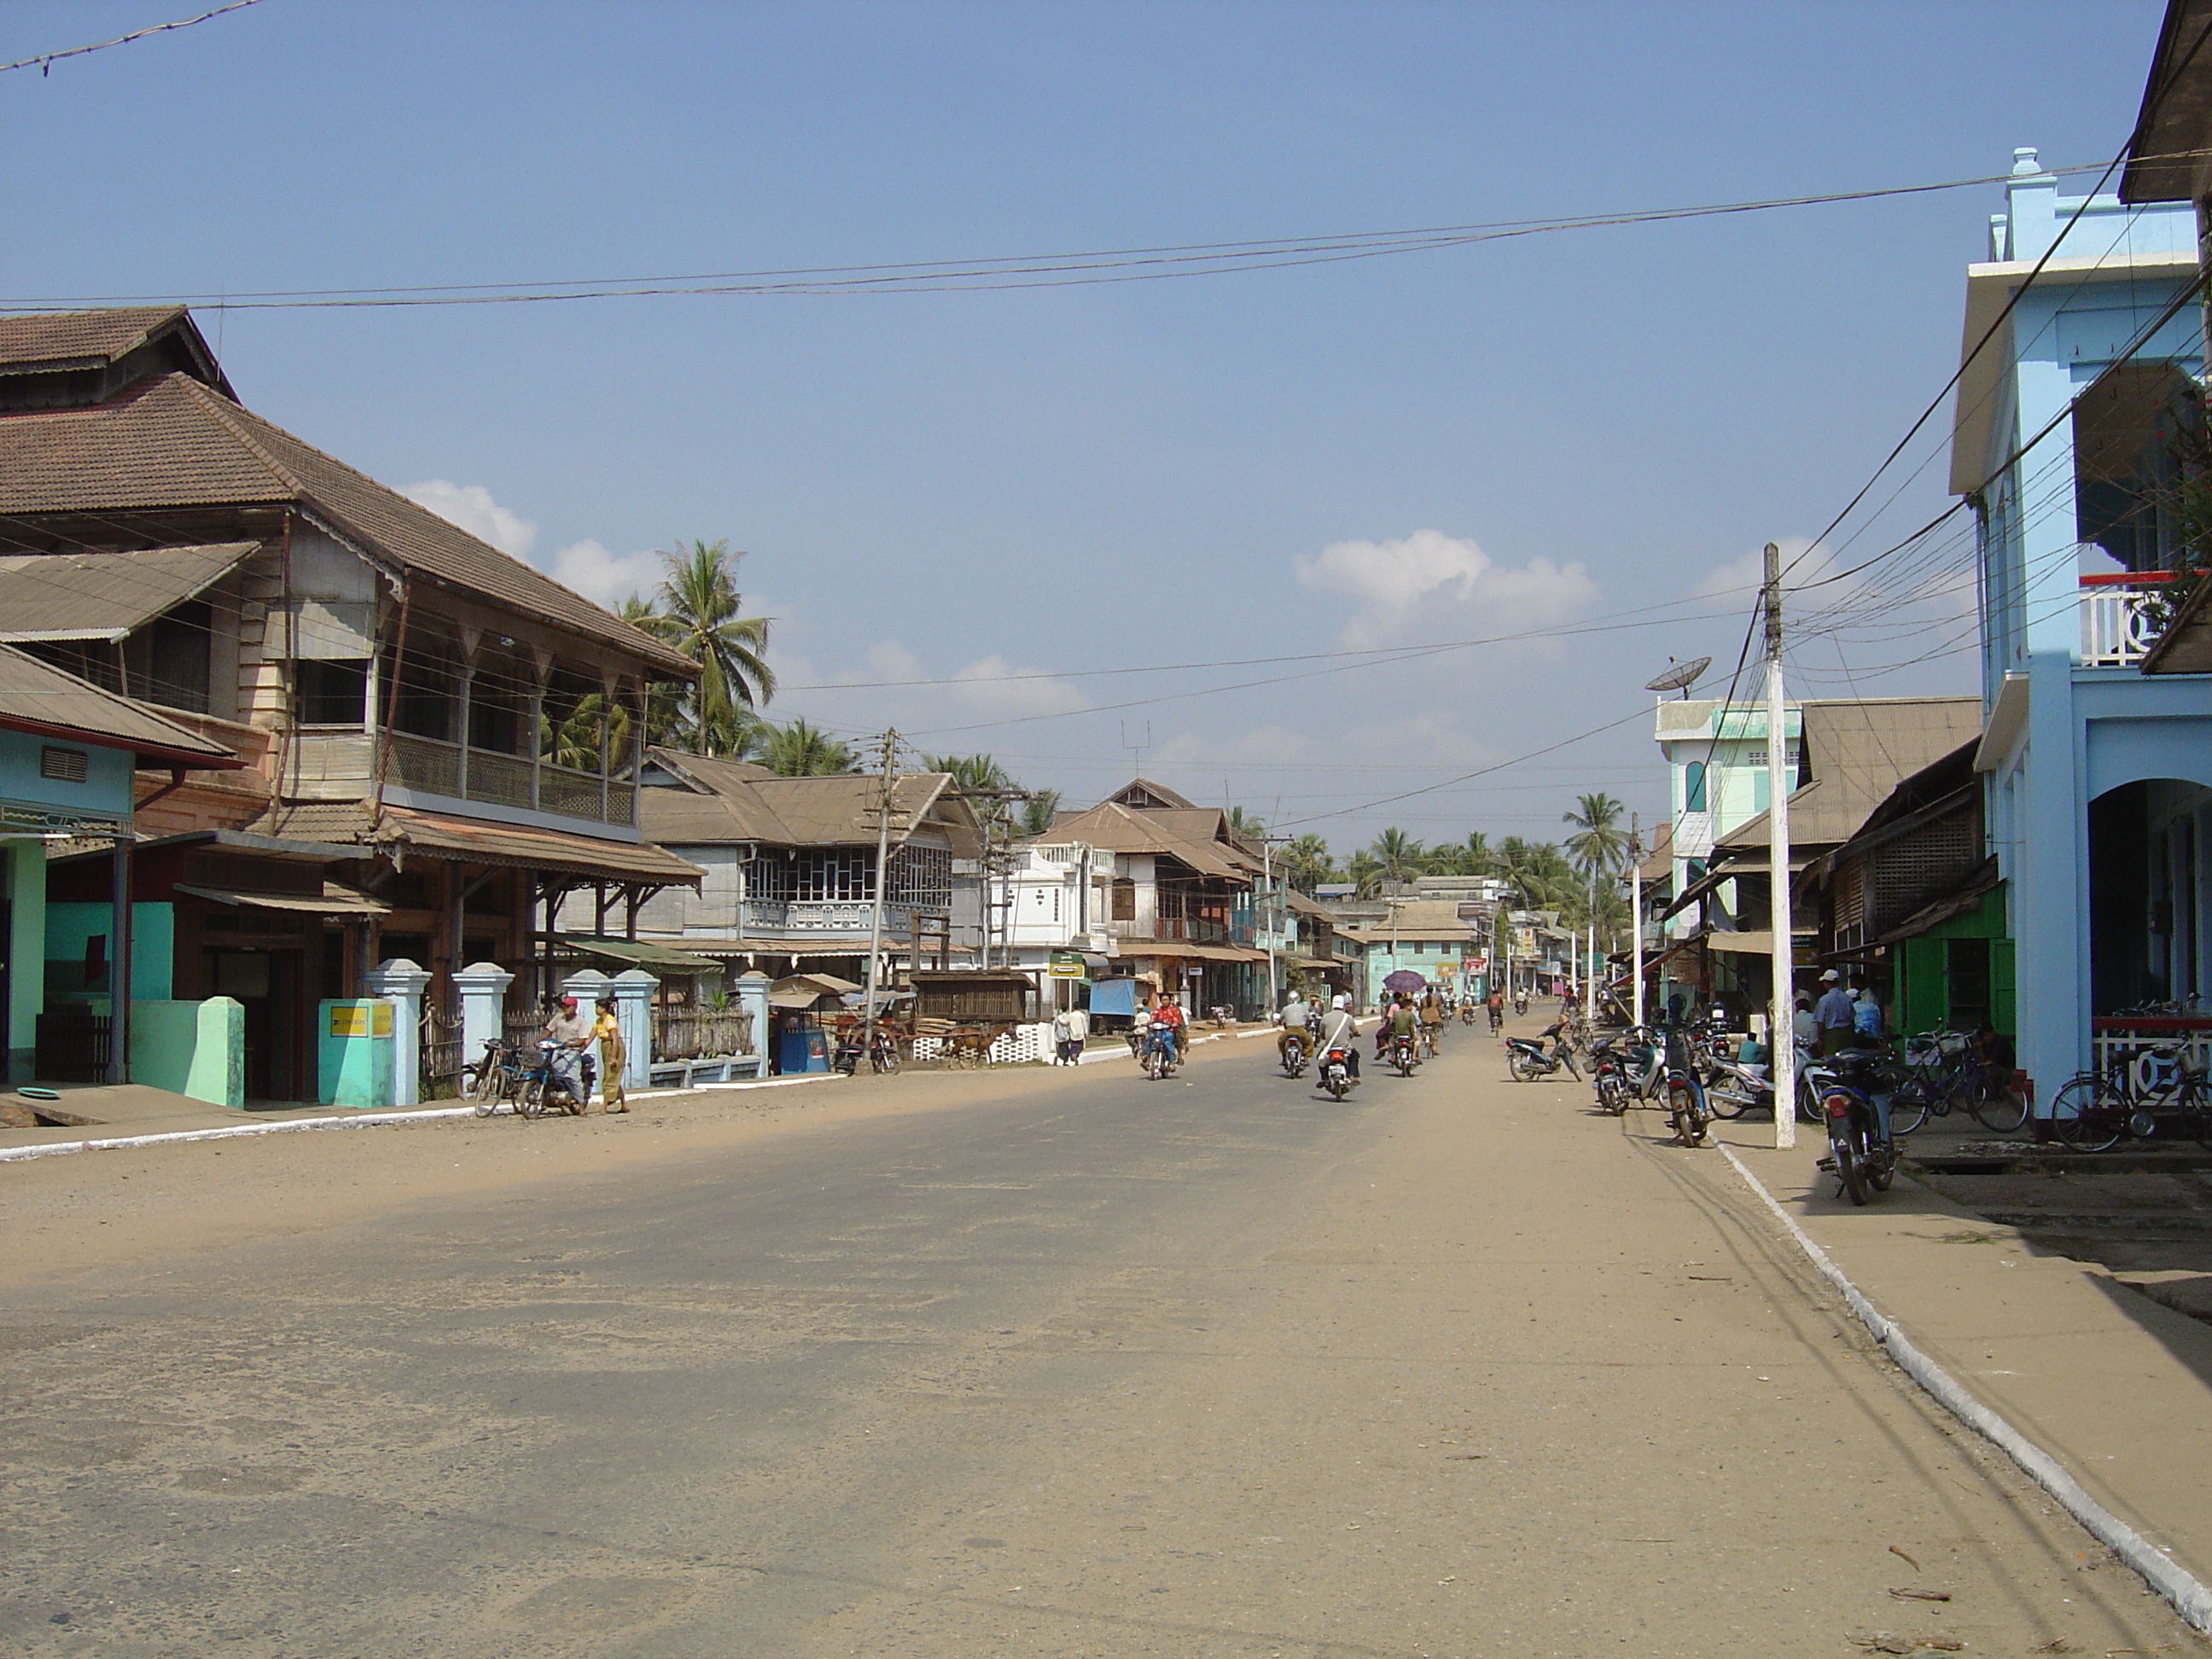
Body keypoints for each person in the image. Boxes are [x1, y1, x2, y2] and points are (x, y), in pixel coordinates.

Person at [542, 994, 594, 1104]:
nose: (565, 1009)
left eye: (568, 1006)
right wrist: (537, 1041)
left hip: (572, 1051)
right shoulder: (558, 1017)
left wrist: (571, 1044)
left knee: (574, 1078)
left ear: (574, 1007)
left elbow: (582, 1040)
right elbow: (549, 1031)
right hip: (557, 1049)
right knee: (546, 1068)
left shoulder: (580, 1021)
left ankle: (580, 1106)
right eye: (564, 1006)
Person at [590, 997, 628, 1114]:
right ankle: (623, 1104)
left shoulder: (610, 1020)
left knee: (610, 1077)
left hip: (613, 1046)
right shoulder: (598, 1022)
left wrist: (613, 1056)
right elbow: (590, 1037)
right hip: (605, 1046)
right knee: (611, 1075)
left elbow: (615, 1040)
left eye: (598, 1007)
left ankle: (604, 1106)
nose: (596, 1009)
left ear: (604, 1009)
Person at [1317, 995, 1363, 1085]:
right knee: (1355, 1056)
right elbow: (1355, 1031)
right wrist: (1355, 1034)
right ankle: (1351, 1076)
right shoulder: (1348, 1017)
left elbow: (1322, 1033)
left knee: (1320, 1058)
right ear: (1343, 1005)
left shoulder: (1325, 1017)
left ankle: (1324, 1078)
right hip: (1344, 1047)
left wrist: (1324, 1037)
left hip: (1330, 1047)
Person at [1813, 969, 1856, 1057]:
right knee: (1846, 1058)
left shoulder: (1824, 1000)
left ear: (1827, 983)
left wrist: (1820, 1039)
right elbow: (1853, 1018)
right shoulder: (1847, 998)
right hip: (1847, 1033)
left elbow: (1820, 1022)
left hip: (1832, 1034)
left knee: (1832, 1059)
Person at [1277, 991, 1310, 1065]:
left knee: (1280, 1041)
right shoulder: (1303, 1008)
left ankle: (1284, 1057)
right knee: (1309, 1042)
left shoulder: (1285, 1009)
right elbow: (1309, 1019)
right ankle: (1305, 1057)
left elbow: (1280, 1019)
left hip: (1289, 1030)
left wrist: (1279, 1023)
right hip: (1300, 1030)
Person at [1790, 988, 1819, 1053]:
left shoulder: (1791, 1020)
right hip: (1811, 1050)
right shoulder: (1813, 1018)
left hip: (1795, 1050)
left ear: (1797, 1009)